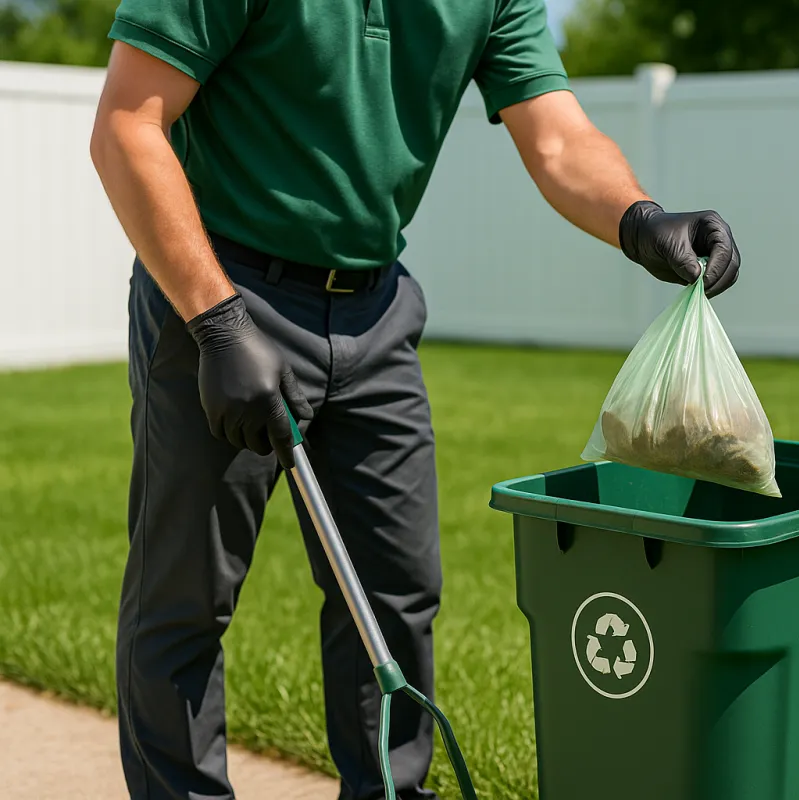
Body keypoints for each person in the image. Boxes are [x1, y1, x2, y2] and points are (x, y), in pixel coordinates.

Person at [88, 1, 741, 798]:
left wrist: (641, 220)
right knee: (184, 596)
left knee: (396, 593)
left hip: (375, 310)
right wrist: (217, 323)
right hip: (218, 287)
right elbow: (127, 124)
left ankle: (387, 792)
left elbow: (559, 137)